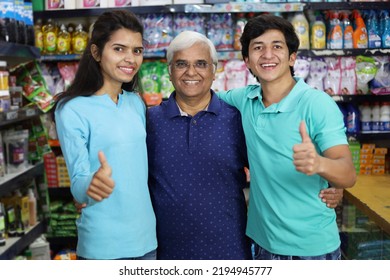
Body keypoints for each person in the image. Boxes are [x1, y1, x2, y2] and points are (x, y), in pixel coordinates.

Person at [146, 30, 344, 260]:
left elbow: (272, 165)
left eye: (201, 63)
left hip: (230, 248)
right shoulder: (150, 121)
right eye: (181, 64)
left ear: (214, 70)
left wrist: (332, 180)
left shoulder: (236, 117)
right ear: (170, 71)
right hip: (167, 250)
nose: (191, 72)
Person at [217, 14, 356, 260]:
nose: (267, 55)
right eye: (258, 48)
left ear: (292, 57)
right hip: (263, 243)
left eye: (277, 47)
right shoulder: (244, 99)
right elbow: (201, 96)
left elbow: (347, 174)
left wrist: (320, 164)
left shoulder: (316, 104)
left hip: (311, 249)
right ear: (248, 61)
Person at [54, 10, 157, 260]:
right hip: (103, 246)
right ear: (97, 53)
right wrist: (92, 183)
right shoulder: (71, 109)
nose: (130, 59)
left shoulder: (136, 103)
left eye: (137, 50)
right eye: (119, 49)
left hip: (147, 240)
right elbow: (78, 184)